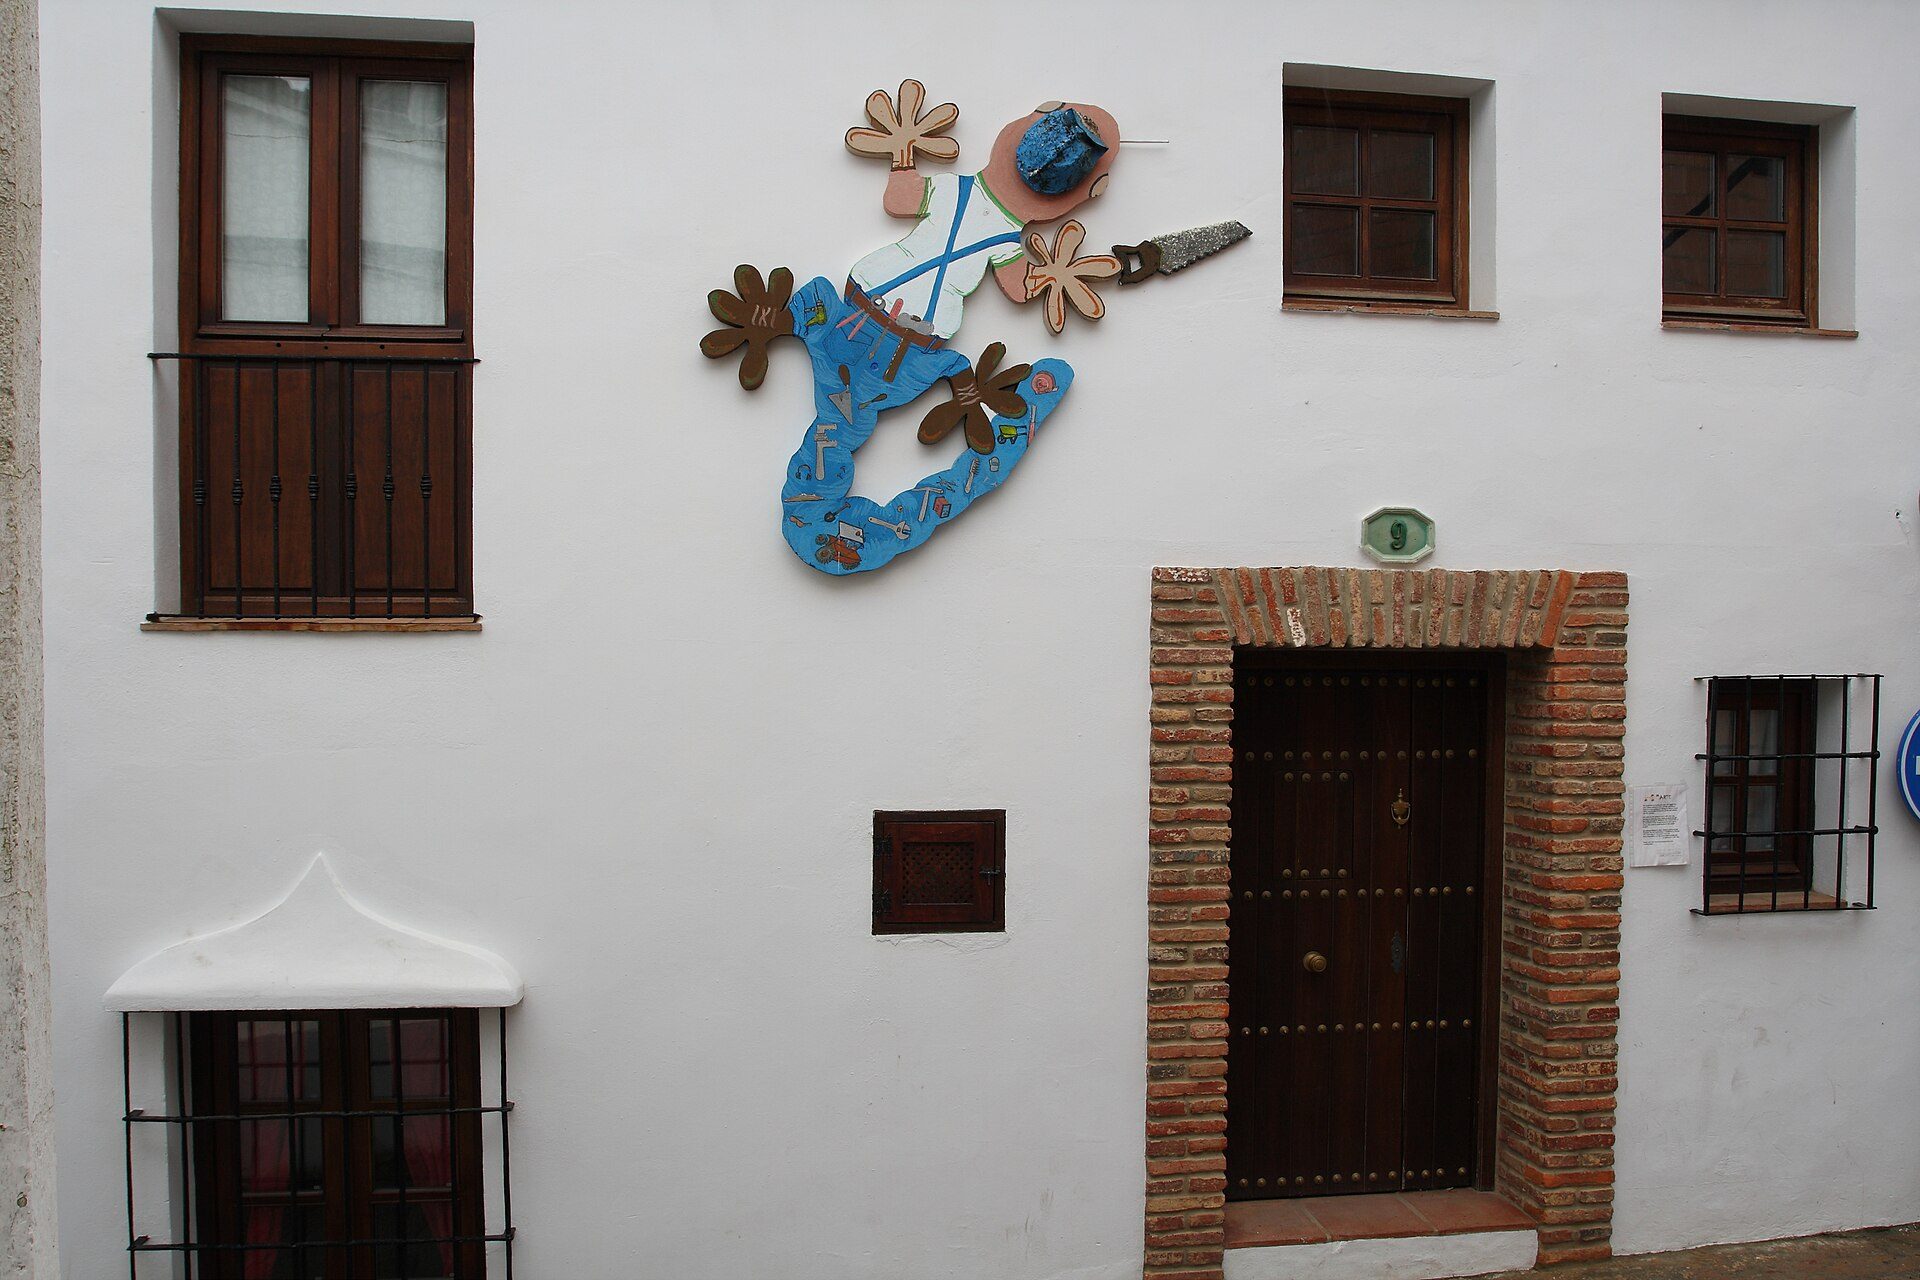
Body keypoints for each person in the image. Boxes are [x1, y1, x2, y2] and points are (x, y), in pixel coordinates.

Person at [701, 85, 1118, 575]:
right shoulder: (954, 193)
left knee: (842, 414)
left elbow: (1013, 281)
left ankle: (788, 326)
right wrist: (901, 148)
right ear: (1089, 194)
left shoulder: (998, 231)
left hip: (896, 351)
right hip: (874, 339)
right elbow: (912, 206)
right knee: (841, 412)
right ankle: (779, 321)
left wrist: (1056, 275)